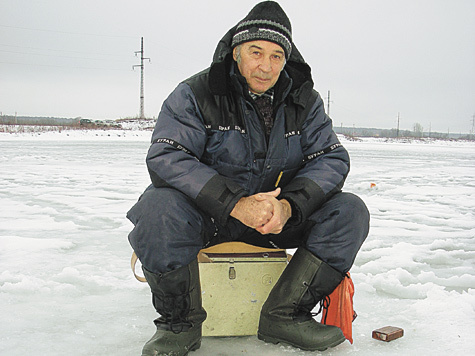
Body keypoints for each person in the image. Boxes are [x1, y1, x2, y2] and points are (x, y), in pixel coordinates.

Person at [127, 1, 370, 355]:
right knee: (157, 208)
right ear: (236, 52)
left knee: (349, 211)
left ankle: (285, 315)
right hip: (209, 218)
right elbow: (168, 156)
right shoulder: (195, 94)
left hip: (274, 221)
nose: (265, 66)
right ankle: (179, 324)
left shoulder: (305, 102)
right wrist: (235, 204)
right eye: (256, 52)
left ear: (286, 60)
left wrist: (289, 206)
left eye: (276, 56)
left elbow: (330, 158)